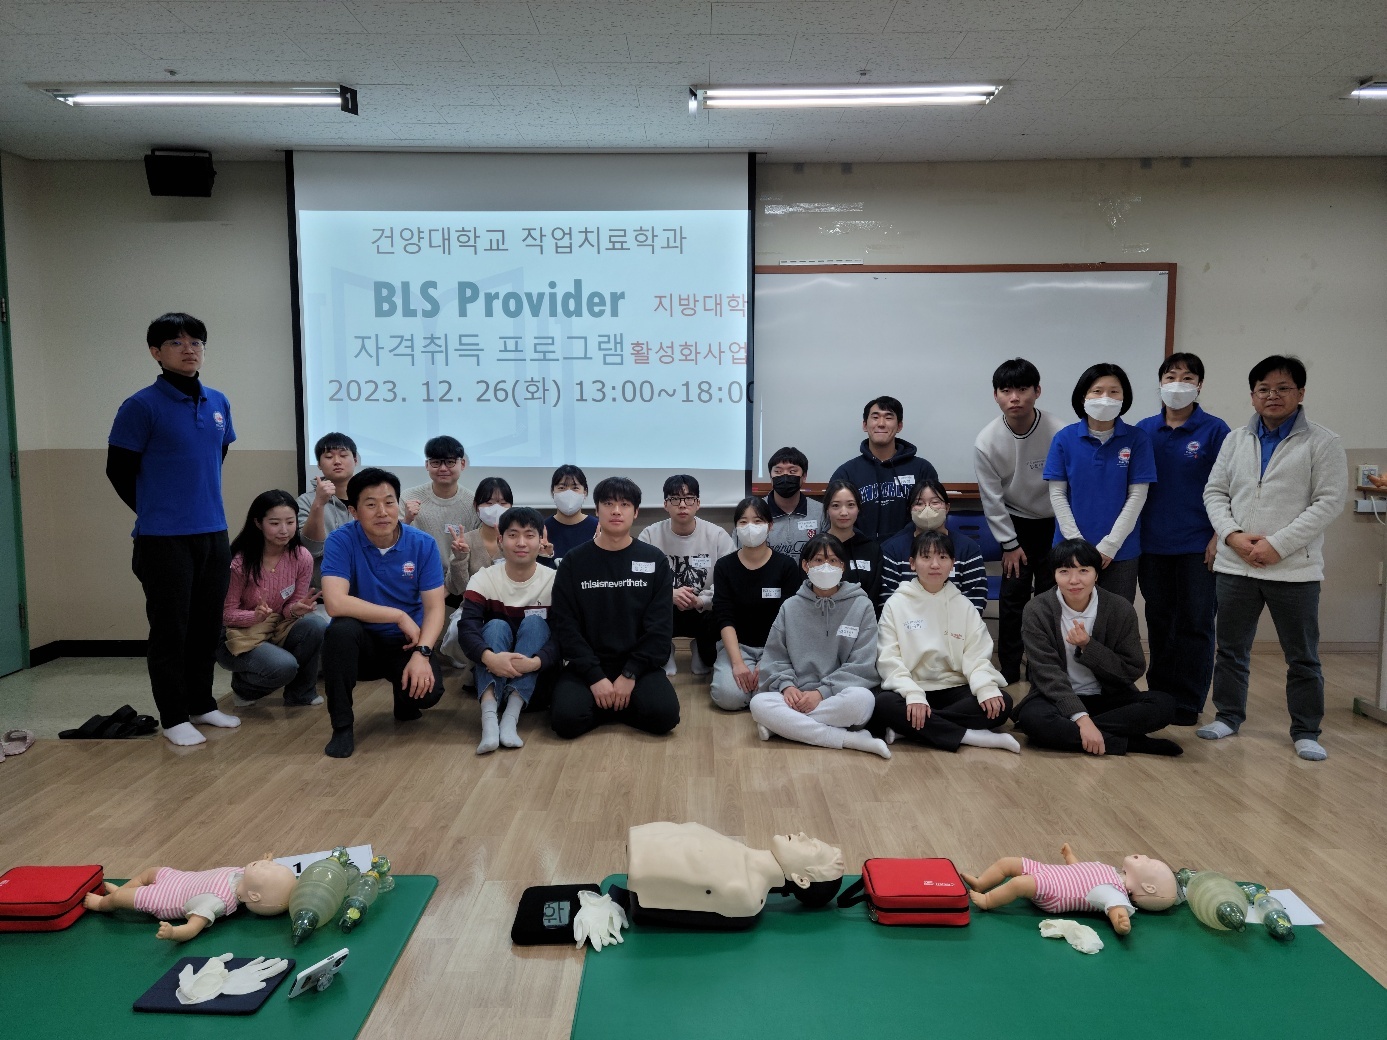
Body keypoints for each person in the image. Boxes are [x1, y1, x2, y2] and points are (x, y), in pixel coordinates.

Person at [1200, 355, 1347, 761]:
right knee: (1231, 650)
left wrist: (1277, 545)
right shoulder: (1235, 439)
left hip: (1294, 570)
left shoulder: (1323, 442)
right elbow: (1215, 492)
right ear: (1252, 396)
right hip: (1235, 565)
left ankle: (1306, 730)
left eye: (1283, 388)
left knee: (1302, 656)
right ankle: (1228, 717)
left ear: (1300, 393)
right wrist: (1232, 536)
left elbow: (1328, 502)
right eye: (1263, 389)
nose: (1272, 396)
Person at [107, 312, 240, 747]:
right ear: (156, 352)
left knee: (207, 627)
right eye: (177, 342)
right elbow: (118, 470)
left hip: (213, 532)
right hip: (162, 539)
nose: (189, 349)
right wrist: (157, 509)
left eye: (196, 342)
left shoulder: (218, 402)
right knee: (171, 630)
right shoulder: (141, 406)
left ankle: (201, 704)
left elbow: (216, 456)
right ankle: (173, 716)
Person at [319, 468, 447, 758]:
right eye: (371, 504)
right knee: (339, 632)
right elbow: (335, 603)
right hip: (361, 641)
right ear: (353, 511)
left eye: (389, 502)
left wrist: (423, 653)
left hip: (405, 642)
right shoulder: (340, 540)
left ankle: (404, 698)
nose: (382, 512)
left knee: (428, 695)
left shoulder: (422, 544)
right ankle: (342, 726)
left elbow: (435, 608)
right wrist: (398, 615)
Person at [1013, 539, 1180, 757]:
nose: (1074, 580)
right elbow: (1047, 674)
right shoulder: (1037, 610)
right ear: (1054, 575)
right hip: (1057, 698)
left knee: (1164, 704)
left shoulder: (1119, 608)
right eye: (1064, 571)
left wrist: (1088, 646)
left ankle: (1080, 734)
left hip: (1106, 697)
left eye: (1083, 570)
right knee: (1033, 719)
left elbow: (1131, 669)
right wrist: (1082, 719)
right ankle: (1130, 743)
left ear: (1096, 574)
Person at [1135, 353, 1231, 726]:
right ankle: (1161, 696)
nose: (1178, 384)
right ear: (1160, 383)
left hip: (1199, 546)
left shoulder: (1216, 430)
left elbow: (1231, 489)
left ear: (1199, 385)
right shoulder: (1143, 430)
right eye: (1171, 376)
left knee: (1196, 623)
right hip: (1152, 544)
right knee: (1159, 621)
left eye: (1187, 377)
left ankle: (1189, 701)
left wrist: (1219, 536)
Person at [549, 477, 679, 738]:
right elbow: (565, 625)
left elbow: (660, 628)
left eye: (625, 504)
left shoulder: (654, 560)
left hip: (638, 667)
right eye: (608, 504)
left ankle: (610, 706)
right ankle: (615, 704)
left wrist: (630, 674)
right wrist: (595, 677)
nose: (616, 511)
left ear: (636, 512)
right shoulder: (574, 561)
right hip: (587, 666)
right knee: (565, 720)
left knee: (664, 716)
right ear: (597, 510)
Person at [872, 529, 1019, 754]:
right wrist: (912, 693)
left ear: (952, 564)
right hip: (912, 686)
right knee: (884, 705)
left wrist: (984, 687)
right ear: (912, 563)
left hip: (954, 687)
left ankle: (912, 729)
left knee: (1002, 702)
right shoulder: (896, 604)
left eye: (942, 557)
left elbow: (977, 655)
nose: (934, 565)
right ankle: (971, 736)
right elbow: (888, 658)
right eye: (926, 557)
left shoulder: (963, 605)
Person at [750, 533, 890, 759]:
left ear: (843, 567)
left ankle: (785, 727)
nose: (826, 566)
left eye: (833, 560)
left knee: (862, 701)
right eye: (818, 560)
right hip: (796, 695)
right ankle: (850, 739)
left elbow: (862, 664)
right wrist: (787, 686)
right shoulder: (790, 607)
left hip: (839, 695)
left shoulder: (861, 605)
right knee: (759, 703)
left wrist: (822, 693)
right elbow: (775, 657)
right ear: (805, 565)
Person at [974, 358, 1066, 684]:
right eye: (1006, 390)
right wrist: (1009, 544)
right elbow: (991, 499)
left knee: (1051, 598)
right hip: (1016, 524)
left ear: (1037, 391)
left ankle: (1044, 666)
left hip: (1055, 523)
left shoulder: (1060, 431)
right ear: (996, 395)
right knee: (1013, 598)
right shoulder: (987, 441)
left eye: (1023, 389)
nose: (1015, 397)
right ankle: (1010, 666)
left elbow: (1071, 485)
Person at [1043, 364, 1156, 603]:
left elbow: (1137, 496)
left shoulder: (1137, 439)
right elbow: (1057, 494)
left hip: (1120, 551)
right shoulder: (1064, 438)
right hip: (1070, 549)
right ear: (1083, 396)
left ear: (1124, 397)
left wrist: (1110, 545)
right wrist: (1078, 544)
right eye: (1097, 391)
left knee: (1116, 616)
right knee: (1070, 616)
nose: (1106, 398)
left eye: (1114, 391)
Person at [450, 507, 558, 755]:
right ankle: (489, 720)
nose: (521, 543)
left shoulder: (554, 580)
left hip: (536, 680)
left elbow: (563, 635)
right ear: (500, 540)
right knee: (496, 625)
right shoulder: (484, 578)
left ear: (541, 540)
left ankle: (510, 718)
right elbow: (467, 628)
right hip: (492, 671)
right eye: (513, 535)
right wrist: (490, 658)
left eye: (529, 535)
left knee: (535, 624)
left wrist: (535, 662)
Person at [216, 490, 327, 707]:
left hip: (276, 626)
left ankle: (301, 693)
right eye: (275, 523)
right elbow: (226, 614)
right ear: (258, 523)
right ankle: (244, 689)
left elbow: (289, 607)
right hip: (235, 634)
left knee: (316, 625)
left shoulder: (301, 557)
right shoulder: (240, 562)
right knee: (284, 666)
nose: (284, 530)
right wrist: (255, 616)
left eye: (290, 522)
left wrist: (296, 609)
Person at [709, 497, 805, 711]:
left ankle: (759, 696)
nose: (750, 527)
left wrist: (768, 660)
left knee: (770, 689)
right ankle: (757, 696)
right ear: (736, 528)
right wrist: (737, 663)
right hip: (737, 646)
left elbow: (789, 618)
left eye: (758, 521)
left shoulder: (786, 566)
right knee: (728, 697)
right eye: (743, 522)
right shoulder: (724, 566)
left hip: (778, 648)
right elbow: (724, 616)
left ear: (770, 526)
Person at [639, 474, 735, 677]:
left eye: (689, 498)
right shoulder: (649, 535)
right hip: (665, 607)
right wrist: (669, 594)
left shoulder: (717, 535)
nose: (682, 505)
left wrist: (702, 600)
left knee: (710, 657)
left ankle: (701, 649)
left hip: (704, 608)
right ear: (665, 504)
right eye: (675, 499)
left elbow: (729, 581)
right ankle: (665, 651)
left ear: (698, 503)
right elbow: (640, 581)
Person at [829, 396, 939, 541]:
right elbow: (836, 519)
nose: (881, 424)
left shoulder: (922, 469)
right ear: (865, 425)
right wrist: (866, 547)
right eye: (875, 417)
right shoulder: (846, 473)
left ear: (899, 426)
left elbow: (931, 515)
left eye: (888, 418)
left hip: (910, 548)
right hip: (859, 550)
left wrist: (898, 545)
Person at [878, 479, 987, 613]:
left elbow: (975, 600)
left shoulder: (968, 548)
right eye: (919, 503)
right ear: (910, 510)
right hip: (906, 622)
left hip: (955, 622)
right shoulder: (892, 550)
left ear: (947, 507)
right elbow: (887, 602)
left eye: (935, 502)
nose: (927, 508)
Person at [402, 435, 478, 601]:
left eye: (450, 462)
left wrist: (448, 587)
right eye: (436, 462)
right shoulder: (408, 498)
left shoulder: (474, 503)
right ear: (427, 465)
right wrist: (406, 520)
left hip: (460, 582)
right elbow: (392, 544)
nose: (443, 468)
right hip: (415, 581)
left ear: (462, 464)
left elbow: (476, 554)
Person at [297, 432, 358, 586]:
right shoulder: (305, 501)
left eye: (343, 455)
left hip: (365, 590)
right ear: (319, 464)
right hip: (322, 591)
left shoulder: (368, 500)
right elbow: (310, 550)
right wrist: (318, 504)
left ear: (355, 460)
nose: (337, 461)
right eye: (329, 457)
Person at [822, 479, 883, 611]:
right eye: (836, 506)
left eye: (850, 505)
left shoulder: (871, 549)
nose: (844, 512)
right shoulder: (815, 548)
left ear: (858, 508)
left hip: (863, 618)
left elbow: (874, 595)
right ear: (827, 509)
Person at [447, 477, 513, 594]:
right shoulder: (465, 541)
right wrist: (460, 559)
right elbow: (457, 588)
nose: (496, 508)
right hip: (474, 603)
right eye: (489, 503)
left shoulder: (518, 541)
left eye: (503, 503)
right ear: (476, 506)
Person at [763, 446, 824, 558]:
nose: (785, 476)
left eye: (792, 471)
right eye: (778, 471)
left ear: (804, 476)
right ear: (770, 477)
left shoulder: (821, 512)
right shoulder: (756, 511)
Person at [540, 464, 599, 569]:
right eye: (562, 488)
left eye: (575, 488)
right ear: (553, 492)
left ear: (585, 492)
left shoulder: (598, 528)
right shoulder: (542, 529)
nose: (568, 493)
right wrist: (544, 556)